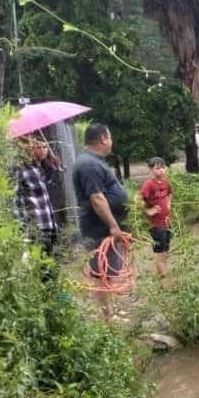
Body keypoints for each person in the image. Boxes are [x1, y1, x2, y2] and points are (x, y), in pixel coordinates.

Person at [72, 123, 130, 321]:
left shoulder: (94, 161)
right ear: (104, 138)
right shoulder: (89, 164)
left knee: (108, 271)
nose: (111, 142)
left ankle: (111, 309)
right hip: (99, 230)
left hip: (104, 229)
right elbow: (97, 199)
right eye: (110, 137)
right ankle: (108, 316)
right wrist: (114, 226)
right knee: (101, 273)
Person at [12, 135, 61, 257]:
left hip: (48, 224)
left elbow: (43, 187)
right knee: (43, 269)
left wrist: (53, 167)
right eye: (37, 147)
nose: (43, 150)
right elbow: (15, 200)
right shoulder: (21, 169)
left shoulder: (36, 168)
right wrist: (22, 228)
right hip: (36, 228)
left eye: (45, 147)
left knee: (51, 266)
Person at [139, 157, 173, 278]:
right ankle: (167, 282)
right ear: (150, 169)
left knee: (165, 252)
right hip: (155, 225)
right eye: (157, 168)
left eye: (163, 167)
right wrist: (148, 211)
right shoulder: (148, 185)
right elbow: (137, 200)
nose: (161, 170)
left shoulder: (165, 182)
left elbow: (169, 194)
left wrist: (168, 207)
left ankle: (160, 279)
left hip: (167, 222)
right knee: (160, 253)